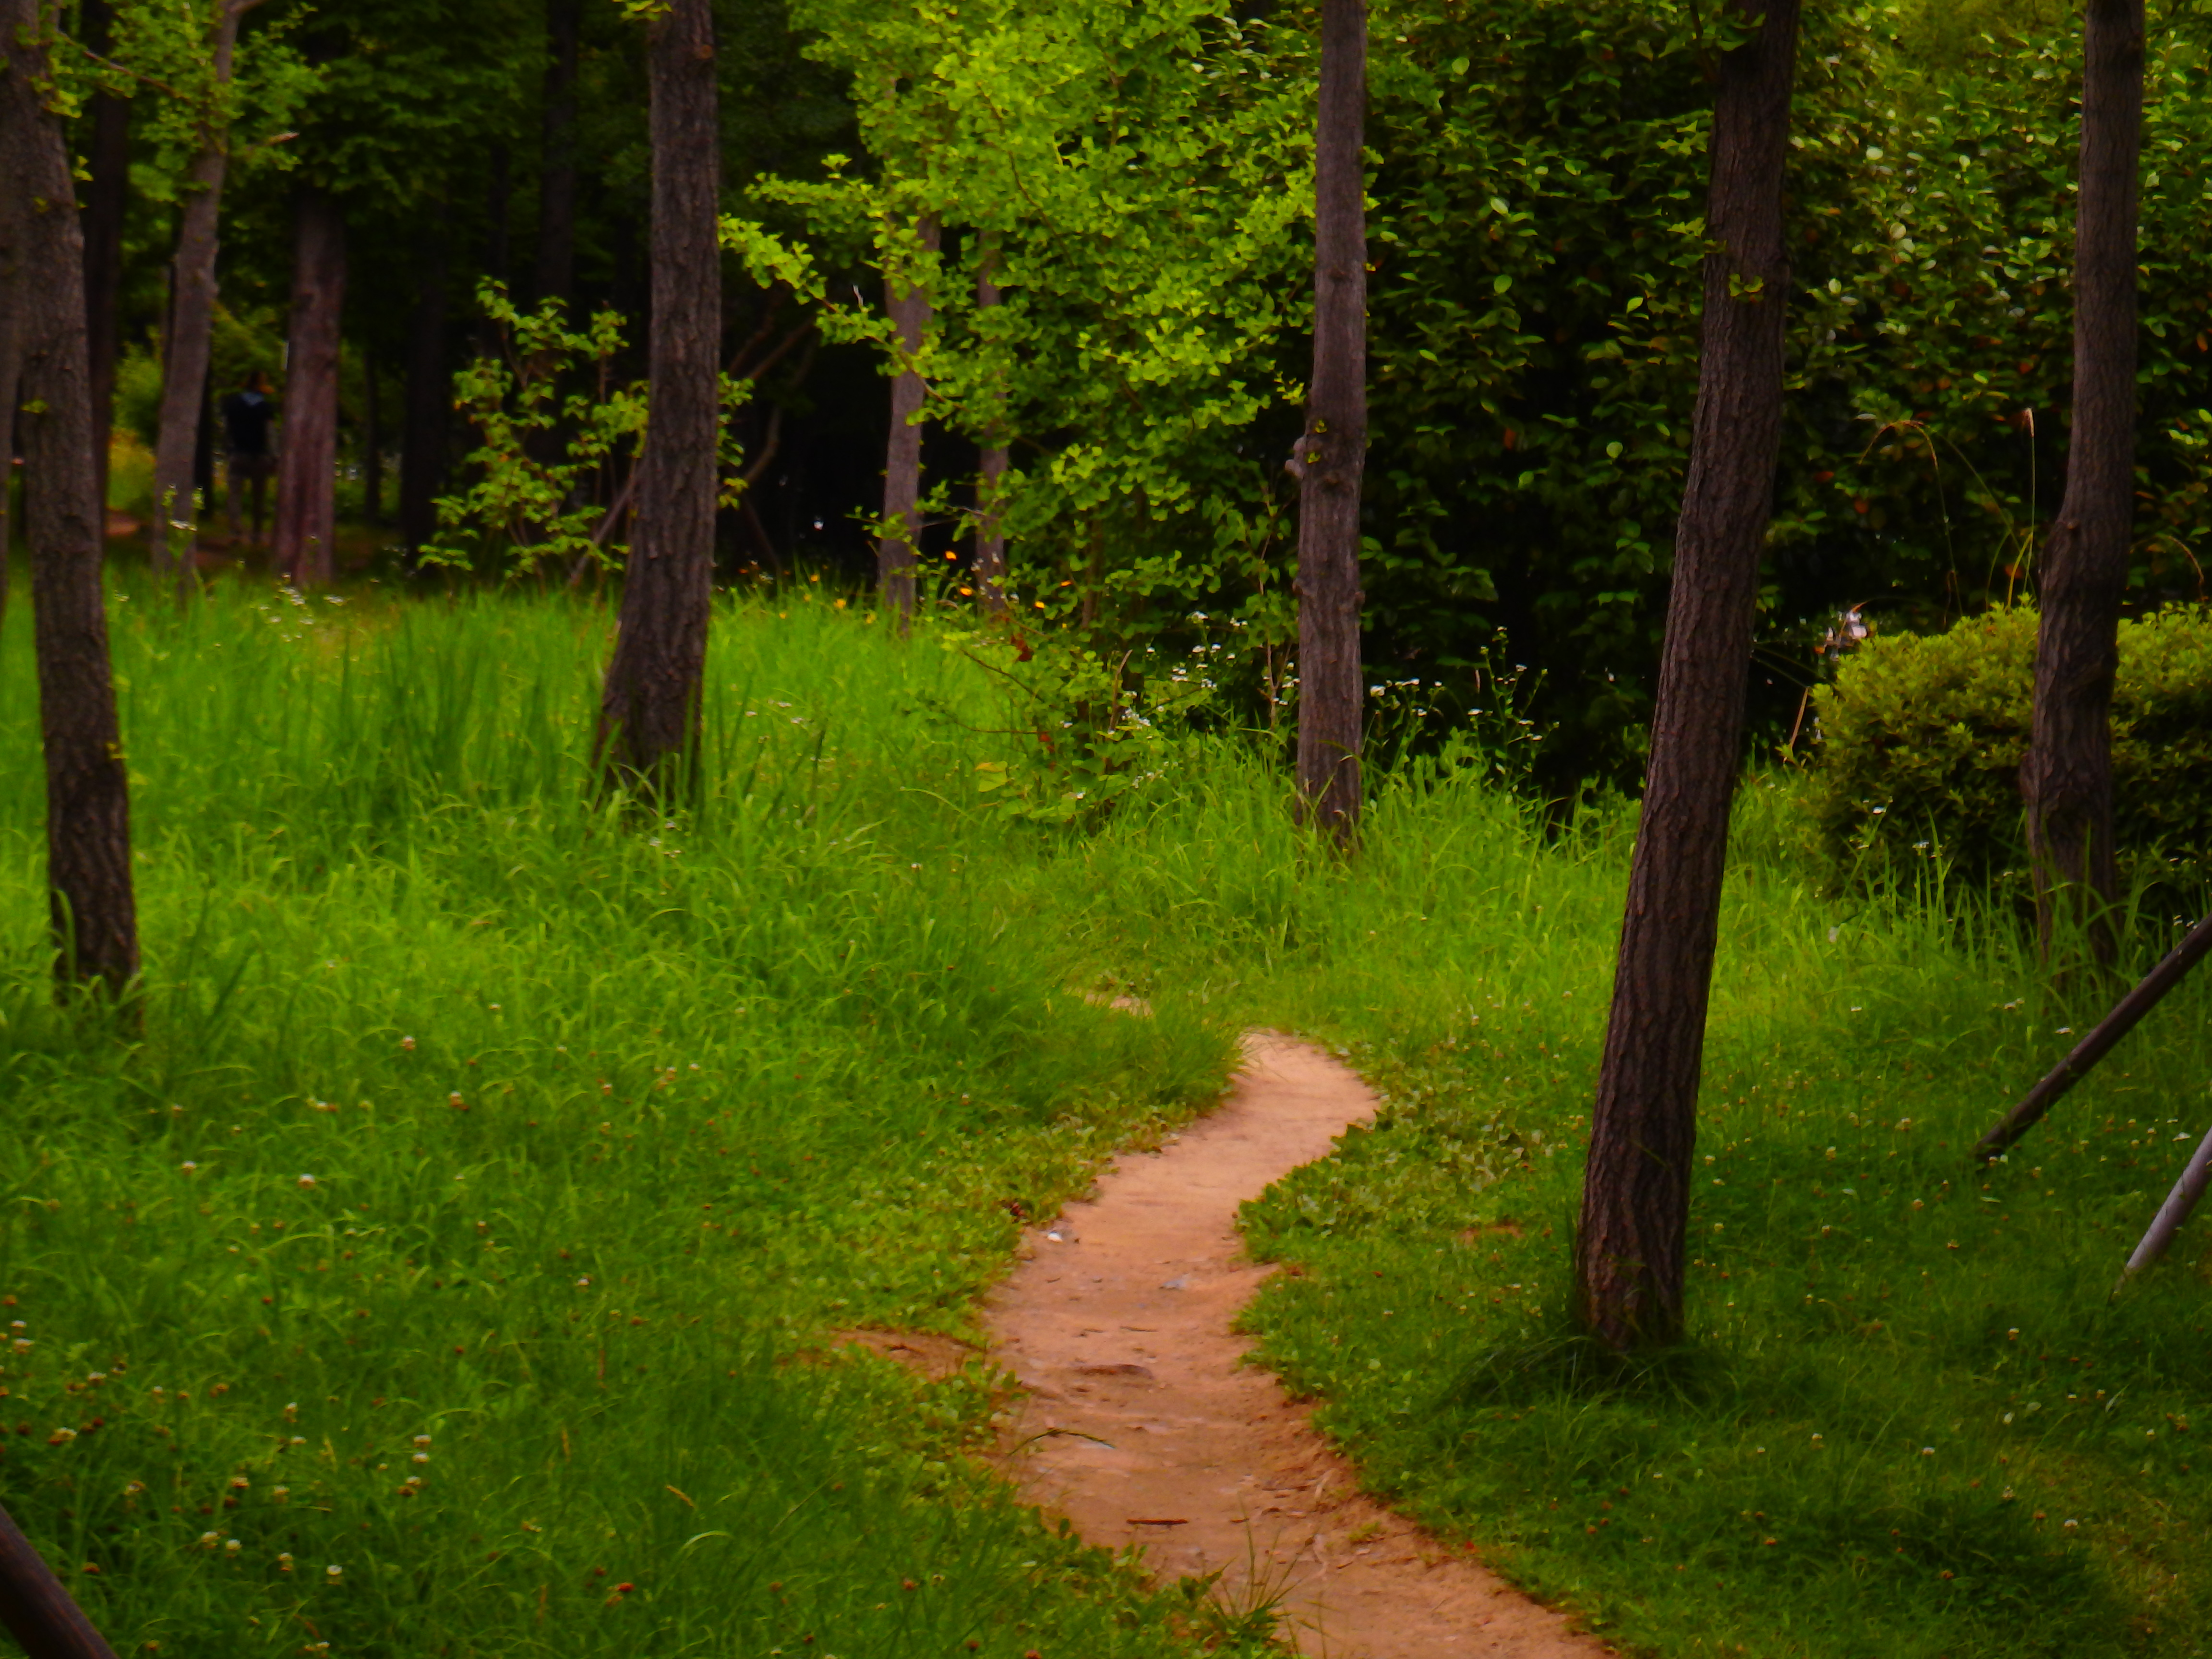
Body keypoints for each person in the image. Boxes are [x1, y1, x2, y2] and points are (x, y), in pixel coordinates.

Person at [221, 371, 276, 546]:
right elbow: (270, 433)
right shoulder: (265, 408)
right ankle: (257, 534)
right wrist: (275, 456)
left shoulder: (234, 405)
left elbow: (226, 429)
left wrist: (228, 449)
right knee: (259, 498)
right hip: (259, 456)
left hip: (238, 454)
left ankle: (235, 532)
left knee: (234, 495)